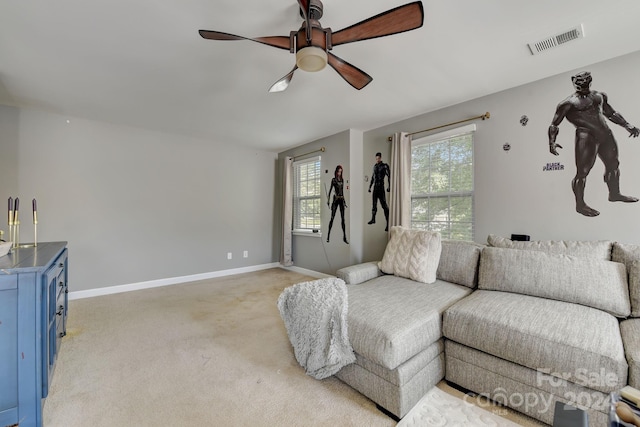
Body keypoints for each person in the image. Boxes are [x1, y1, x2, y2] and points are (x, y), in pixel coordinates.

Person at [548, 71, 639, 217]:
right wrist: (552, 142)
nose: (583, 87)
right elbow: (554, 124)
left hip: (605, 135)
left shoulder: (599, 96)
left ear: (590, 82)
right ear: (574, 83)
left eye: (585, 84)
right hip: (586, 137)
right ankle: (580, 205)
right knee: (582, 172)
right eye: (579, 84)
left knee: (613, 164)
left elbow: (611, 113)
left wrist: (627, 125)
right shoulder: (568, 103)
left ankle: (615, 194)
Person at [367, 152, 390, 231]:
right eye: (376, 159)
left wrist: (389, 186)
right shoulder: (375, 166)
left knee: (384, 206)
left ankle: (388, 223)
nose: (377, 160)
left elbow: (389, 176)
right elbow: (373, 177)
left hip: (381, 187)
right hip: (375, 188)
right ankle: (373, 219)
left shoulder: (384, 166)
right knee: (374, 204)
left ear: (380, 158)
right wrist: (370, 186)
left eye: (378, 158)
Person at [326, 165, 348, 244]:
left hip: (341, 200)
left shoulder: (342, 180)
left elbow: (343, 191)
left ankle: (344, 237)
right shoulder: (333, 180)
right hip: (335, 199)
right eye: (339, 171)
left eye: (341, 171)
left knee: (343, 219)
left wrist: (344, 202)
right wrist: (328, 201)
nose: (340, 173)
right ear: (336, 171)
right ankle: (328, 236)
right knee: (332, 218)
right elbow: (330, 190)